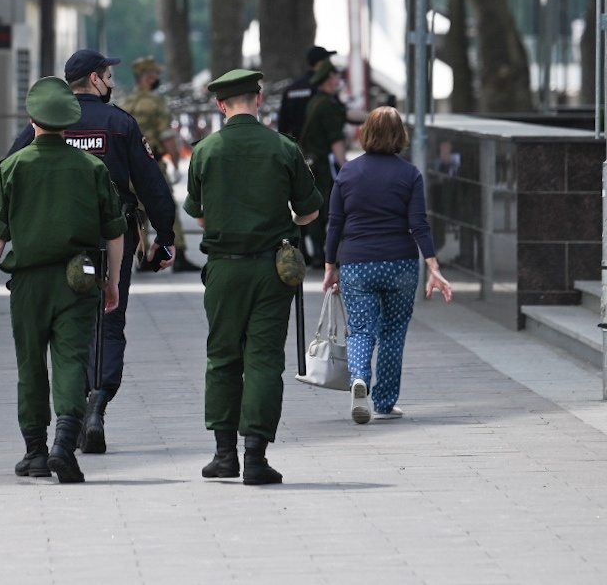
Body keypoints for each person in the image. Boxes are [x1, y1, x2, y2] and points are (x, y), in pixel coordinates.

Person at [3, 49, 177, 455]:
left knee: (71, 327)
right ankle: (98, 402)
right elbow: (152, 184)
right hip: (113, 237)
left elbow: (9, 170)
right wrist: (164, 237)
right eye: (107, 75)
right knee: (109, 322)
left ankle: (76, 409)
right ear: (95, 81)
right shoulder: (120, 124)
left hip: (62, 242)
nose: (112, 82)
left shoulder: (43, 123)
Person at [0, 77, 127, 484]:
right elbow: (115, 232)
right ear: (70, 121)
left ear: (32, 119)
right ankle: (64, 442)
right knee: (72, 360)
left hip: (27, 285)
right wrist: (111, 281)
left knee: (30, 366)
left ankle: (36, 453)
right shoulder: (92, 168)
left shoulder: (12, 167)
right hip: (78, 282)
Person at [186, 68, 323, 485]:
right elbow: (310, 210)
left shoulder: (205, 151)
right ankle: (256, 457)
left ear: (220, 105)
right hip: (272, 269)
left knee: (223, 357)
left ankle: (224, 456)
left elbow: (200, 213)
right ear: (259, 100)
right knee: (264, 359)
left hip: (225, 268)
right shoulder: (284, 148)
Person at [322, 106, 453, 425]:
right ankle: (384, 400)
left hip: (357, 264)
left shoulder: (348, 173)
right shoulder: (410, 174)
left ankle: (359, 380)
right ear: (400, 136)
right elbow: (419, 224)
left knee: (361, 330)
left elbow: (335, 223)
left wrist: (329, 265)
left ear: (365, 132)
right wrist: (433, 265)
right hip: (400, 264)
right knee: (393, 332)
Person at [124, 55, 199, 272]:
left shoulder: (126, 103)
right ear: (147, 78)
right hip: (152, 164)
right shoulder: (156, 103)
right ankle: (180, 254)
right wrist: (175, 161)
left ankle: (142, 258)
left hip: (129, 168)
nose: (158, 78)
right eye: (155, 74)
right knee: (165, 207)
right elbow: (167, 136)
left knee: (138, 211)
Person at [297, 60, 348, 261]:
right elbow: (335, 139)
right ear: (329, 79)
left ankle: (318, 251)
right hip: (324, 166)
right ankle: (322, 252)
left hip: (313, 163)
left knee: (317, 207)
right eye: (336, 76)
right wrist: (345, 165)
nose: (339, 80)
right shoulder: (327, 105)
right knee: (327, 208)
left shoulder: (316, 101)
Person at [275, 45, 334, 140]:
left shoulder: (292, 88)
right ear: (320, 63)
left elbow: (283, 124)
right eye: (327, 60)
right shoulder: (323, 87)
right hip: (320, 145)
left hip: (297, 146)